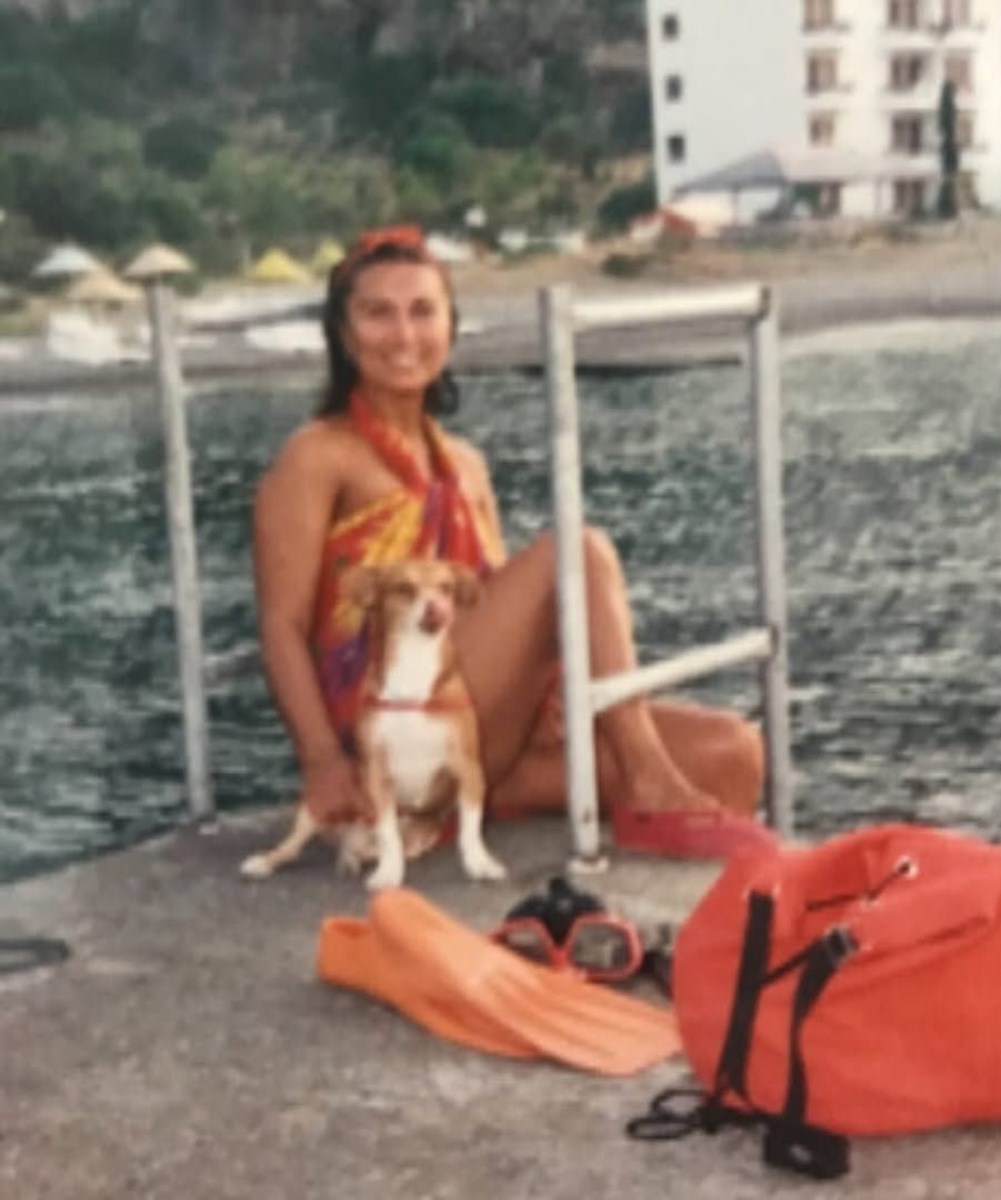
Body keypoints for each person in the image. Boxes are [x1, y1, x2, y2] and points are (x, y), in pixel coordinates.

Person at [253, 224, 771, 858]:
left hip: (478, 728)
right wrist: (322, 762)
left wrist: (549, 702)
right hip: (389, 724)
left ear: (451, 326)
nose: (404, 335)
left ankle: (502, 796)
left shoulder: (465, 465)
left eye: (423, 311)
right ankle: (647, 783)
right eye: (378, 313)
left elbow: (497, 613)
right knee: (578, 552)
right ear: (342, 330)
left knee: (734, 753)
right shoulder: (316, 455)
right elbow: (281, 626)